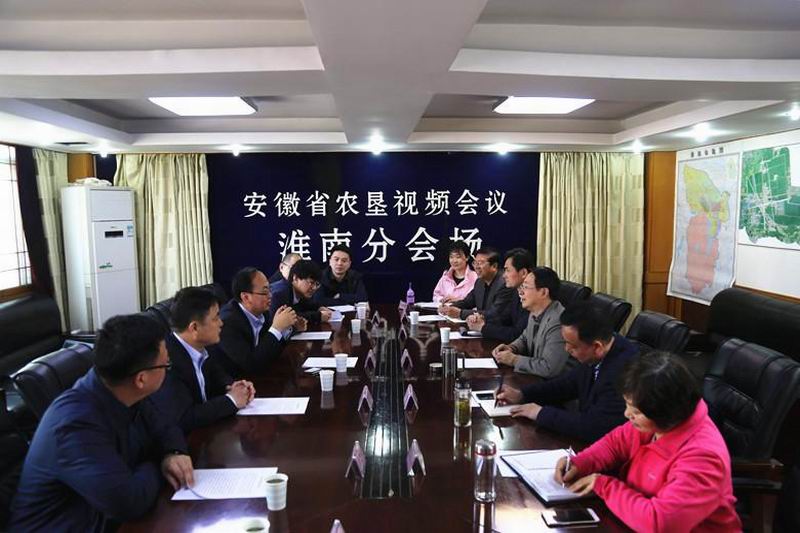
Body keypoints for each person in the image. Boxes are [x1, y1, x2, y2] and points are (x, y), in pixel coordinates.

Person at [10, 314, 194, 532]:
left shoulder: (119, 387)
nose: (167, 369)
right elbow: (129, 502)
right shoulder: (75, 426)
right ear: (141, 379)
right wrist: (159, 462)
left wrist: (172, 452)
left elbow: (165, 424)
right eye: (166, 365)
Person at [556, 352, 741, 532]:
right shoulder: (656, 423)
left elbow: (660, 524)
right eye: (627, 405)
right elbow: (615, 443)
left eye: (636, 411)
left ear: (665, 413)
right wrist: (580, 463)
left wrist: (604, 486)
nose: (627, 414)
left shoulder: (702, 458)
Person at [497, 302, 639, 442]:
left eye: (572, 345)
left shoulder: (625, 372)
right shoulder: (599, 349)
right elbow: (567, 384)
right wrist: (522, 394)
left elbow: (595, 427)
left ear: (597, 347)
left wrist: (540, 413)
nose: (566, 349)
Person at [151, 287, 256, 433]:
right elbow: (184, 418)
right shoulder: (166, 361)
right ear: (194, 327)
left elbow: (217, 375)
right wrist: (231, 400)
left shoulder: (205, 346)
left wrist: (233, 387)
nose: (221, 323)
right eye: (215, 318)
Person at [216, 267, 306, 375]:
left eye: (269, 290)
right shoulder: (227, 323)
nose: (270, 296)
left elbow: (268, 351)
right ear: (246, 297)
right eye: (264, 292)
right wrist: (276, 328)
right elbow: (251, 364)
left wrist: (289, 329)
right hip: (237, 380)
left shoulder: (262, 312)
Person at [491, 267, 573, 377]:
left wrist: (514, 360)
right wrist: (511, 348)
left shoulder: (558, 321)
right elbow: (525, 338)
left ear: (543, 292)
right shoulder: (536, 311)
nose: (521, 292)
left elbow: (548, 368)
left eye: (525, 287)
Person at [467, 247, 532, 342]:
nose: (504, 275)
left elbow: (517, 334)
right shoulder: (516, 292)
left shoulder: (533, 296)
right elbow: (504, 318)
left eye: (508, 270)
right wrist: (481, 319)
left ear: (523, 273)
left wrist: (483, 327)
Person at [439, 246, 513, 321]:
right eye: (475, 263)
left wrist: (460, 313)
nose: (477, 267)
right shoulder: (479, 282)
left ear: (494, 266)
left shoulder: (505, 283)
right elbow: (467, 302)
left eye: (480, 263)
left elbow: (494, 313)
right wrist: (449, 307)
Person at [270, 259, 333, 325]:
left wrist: (319, 308)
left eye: (317, 284)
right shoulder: (280, 293)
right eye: (311, 283)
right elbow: (284, 319)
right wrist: (318, 316)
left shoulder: (300, 292)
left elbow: (307, 306)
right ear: (295, 278)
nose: (314, 288)